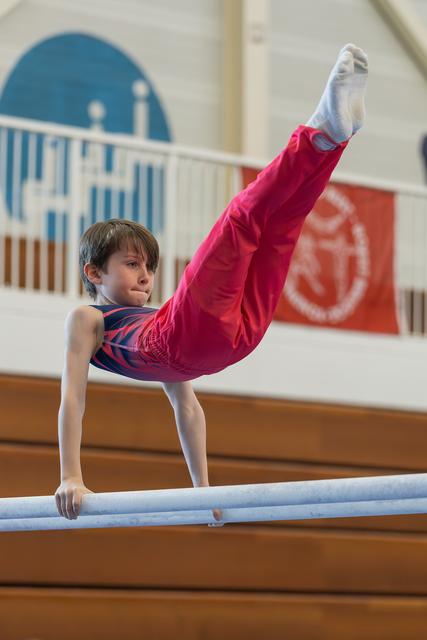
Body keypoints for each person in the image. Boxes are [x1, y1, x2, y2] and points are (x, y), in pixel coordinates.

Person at [55, 43, 368, 527]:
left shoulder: (151, 320)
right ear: (93, 273)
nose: (145, 275)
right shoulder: (88, 318)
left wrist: (203, 490)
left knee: (280, 223)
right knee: (244, 216)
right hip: (201, 340)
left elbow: (187, 406)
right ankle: (321, 133)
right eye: (132, 264)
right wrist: (71, 475)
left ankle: (332, 138)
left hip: (213, 343)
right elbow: (73, 396)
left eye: (149, 267)